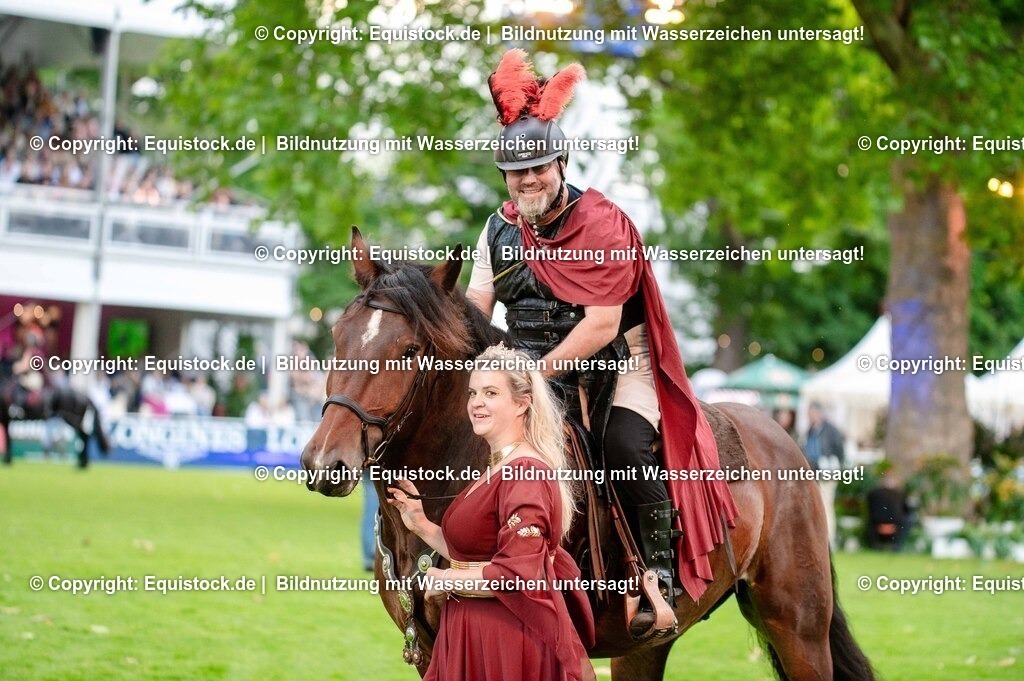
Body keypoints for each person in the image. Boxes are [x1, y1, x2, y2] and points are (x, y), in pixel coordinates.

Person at [466, 49, 737, 632]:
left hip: (619, 362)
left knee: (623, 445)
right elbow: (476, 313)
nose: (529, 179)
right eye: (518, 172)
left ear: (561, 162)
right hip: (533, 370)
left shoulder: (602, 225)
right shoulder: (495, 230)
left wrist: (530, 378)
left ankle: (656, 579)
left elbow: (601, 325)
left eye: (539, 167)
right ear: (505, 179)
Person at [387, 344, 595, 681]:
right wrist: (422, 525)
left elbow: (517, 576)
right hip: (471, 630)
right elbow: (478, 555)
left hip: (507, 643)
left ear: (522, 403)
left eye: (491, 393)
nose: (476, 403)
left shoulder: (526, 472)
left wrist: (445, 579)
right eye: (472, 393)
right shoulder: (497, 468)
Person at [803, 402, 846, 547]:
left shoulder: (831, 430)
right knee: (814, 505)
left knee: (826, 504)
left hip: (828, 471)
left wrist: (834, 466)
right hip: (813, 471)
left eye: (811, 414)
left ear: (819, 413)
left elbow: (840, 452)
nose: (810, 417)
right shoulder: (810, 431)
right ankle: (816, 538)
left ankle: (829, 539)